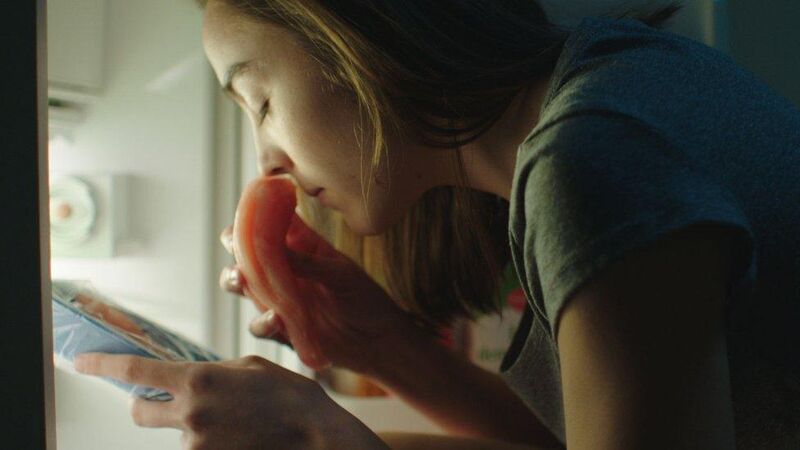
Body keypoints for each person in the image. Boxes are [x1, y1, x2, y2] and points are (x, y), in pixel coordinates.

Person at [74, 1, 800, 449]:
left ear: (354, 29)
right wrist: (381, 344)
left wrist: (320, 438)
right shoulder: (610, 82)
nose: (269, 162)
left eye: (259, 102)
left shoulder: (590, 163)